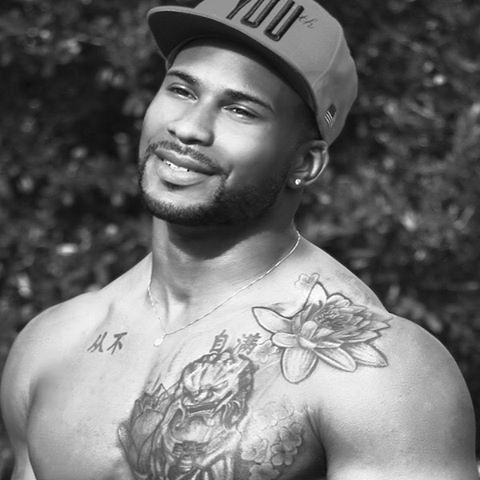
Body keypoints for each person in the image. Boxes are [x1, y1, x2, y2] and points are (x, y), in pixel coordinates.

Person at [1, 0, 477, 478]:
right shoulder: (54, 343)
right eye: (182, 90)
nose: (189, 128)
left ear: (305, 163)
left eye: (240, 110)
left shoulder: (382, 371)